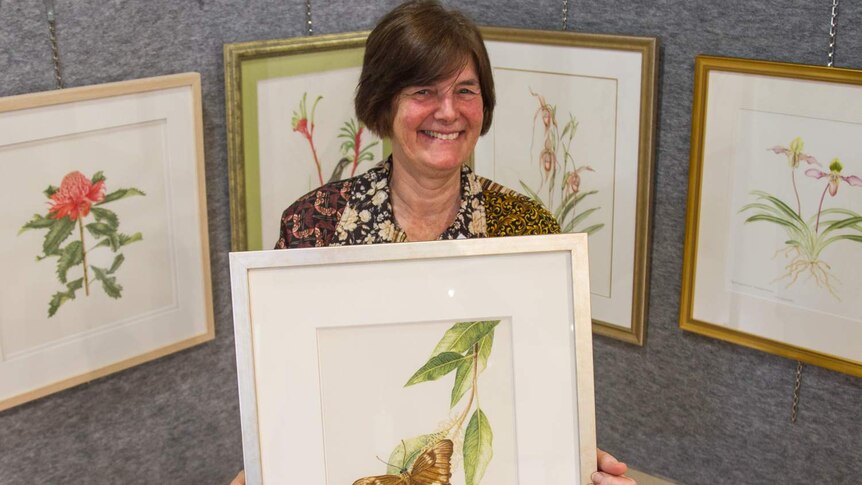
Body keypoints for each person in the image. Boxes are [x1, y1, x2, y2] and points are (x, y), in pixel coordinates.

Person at [232, 1, 636, 484]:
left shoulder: (528, 232)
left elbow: (541, 394)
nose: (448, 112)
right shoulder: (315, 226)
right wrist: (264, 467)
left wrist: (570, 454)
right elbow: (287, 395)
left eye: (465, 91)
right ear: (384, 104)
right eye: (423, 91)